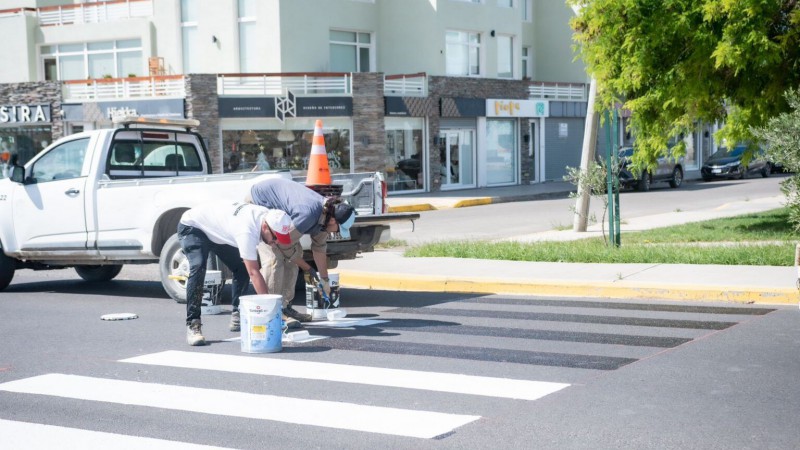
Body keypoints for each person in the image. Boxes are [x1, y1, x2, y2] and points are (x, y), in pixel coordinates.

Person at [178, 201, 293, 346]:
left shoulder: (267, 216)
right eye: (275, 237)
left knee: (241, 267)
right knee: (199, 266)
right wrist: (271, 311)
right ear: (265, 227)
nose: (275, 242)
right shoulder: (247, 231)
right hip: (193, 226)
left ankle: (238, 313)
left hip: (217, 230)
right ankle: (193, 324)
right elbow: (254, 272)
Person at [247, 178, 356, 329]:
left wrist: (324, 279)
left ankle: (285, 307)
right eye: (339, 230)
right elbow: (283, 244)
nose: (336, 233)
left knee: (295, 254)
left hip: (282, 210)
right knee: (275, 259)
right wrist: (308, 268)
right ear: (333, 221)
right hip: (261, 202)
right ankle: (272, 313)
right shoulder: (308, 214)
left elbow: (319, 248)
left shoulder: (325, 217)